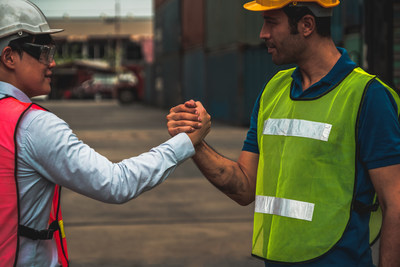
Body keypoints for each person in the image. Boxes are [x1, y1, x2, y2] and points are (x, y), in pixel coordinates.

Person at [167, 0, 400, 266]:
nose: (262, 34)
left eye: (271, 22)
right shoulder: (273, 91)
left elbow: (395, 204)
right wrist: (194, 143)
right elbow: (244, 187)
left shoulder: (368, 96)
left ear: (307, 25)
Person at [0, 1, 211, 266]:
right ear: (9, 57)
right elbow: (115, 183)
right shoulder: (32, 125)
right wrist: (185, 142)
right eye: (43, 52)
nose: (52, 62)